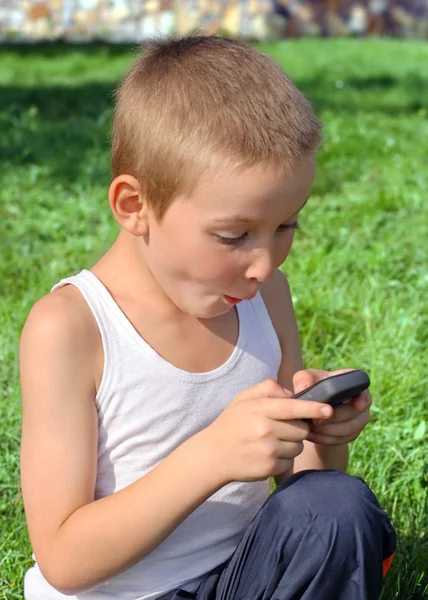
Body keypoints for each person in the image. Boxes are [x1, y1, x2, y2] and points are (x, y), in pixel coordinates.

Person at [19, 35, 396, 600]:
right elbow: (63, 559)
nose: (264, 264)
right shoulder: (72, 329)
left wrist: (322, 433)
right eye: (233, 235)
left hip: (233, 577)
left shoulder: (266, 297)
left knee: (336, 508)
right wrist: (209, 458)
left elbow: (302, 482)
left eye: (286, 226)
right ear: (133, 207)